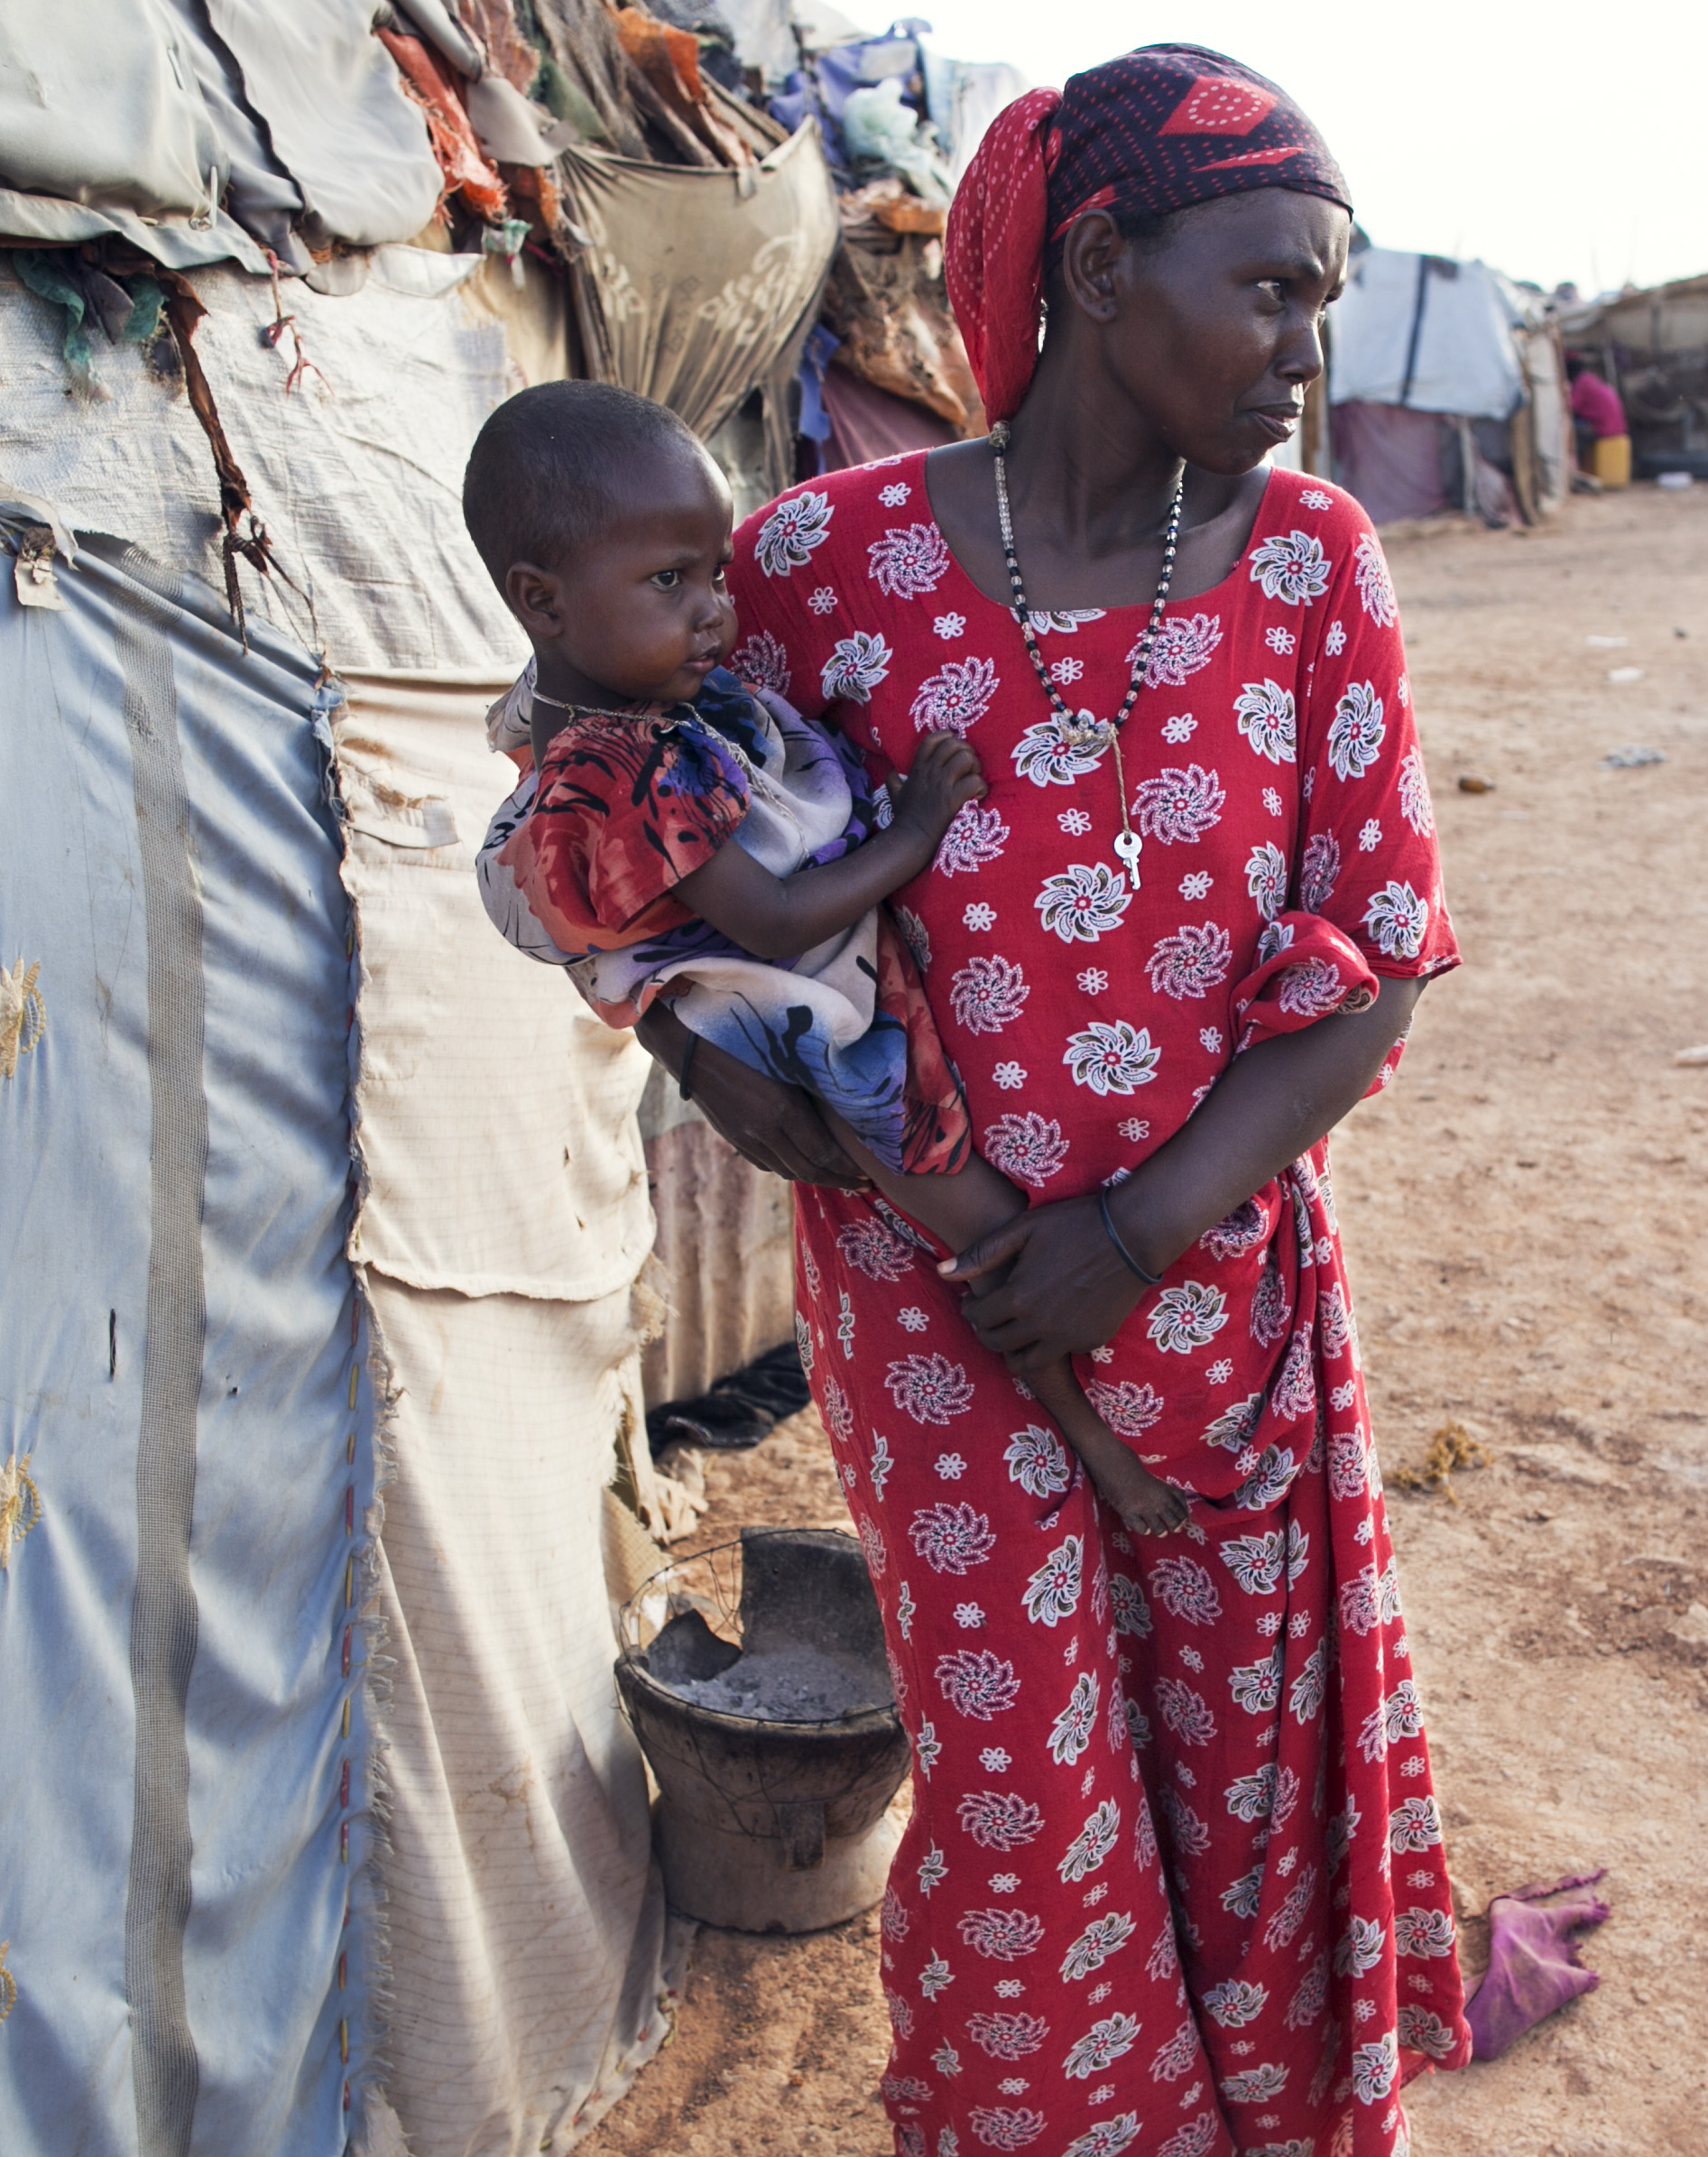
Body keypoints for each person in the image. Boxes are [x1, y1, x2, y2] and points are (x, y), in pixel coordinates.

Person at [669, 42, 1471, 2157]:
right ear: (1107, 269)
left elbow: (1377, 962)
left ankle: (1258, 2116)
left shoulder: (1311, 567)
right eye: (1275, 292)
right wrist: (765, 1106)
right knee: (1022, 1750)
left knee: (1235, 1717)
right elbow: (681, 887)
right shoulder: (819, 568)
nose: (1311, 350)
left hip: (1207, 1272)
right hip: (929, 1298)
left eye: (1326, 299)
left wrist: (1130, 1231)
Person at [461, 380, 1196, 1535]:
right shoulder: (630, 769)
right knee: (991, 1236)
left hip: (787, 985)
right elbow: (779, 923)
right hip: (803, 1025)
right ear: (540, 602)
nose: (715, 612)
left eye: (715, 574)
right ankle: (1098, 1442)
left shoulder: (605, 709)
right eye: (671, 582)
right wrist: (915, 833)